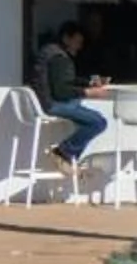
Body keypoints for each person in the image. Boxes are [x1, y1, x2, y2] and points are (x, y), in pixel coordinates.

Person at [33, 24, 107, 164]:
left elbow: (66, 80)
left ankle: (68, 158)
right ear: (66, 38)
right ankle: (64, 153)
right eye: (77, 42)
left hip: (46, 102)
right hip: (52, 105)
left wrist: (90, 82)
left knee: (88, 119)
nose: (79, 46)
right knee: (98, 122)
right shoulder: (59, 58)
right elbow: (61, 92)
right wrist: (89, 92)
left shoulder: (52, 52)